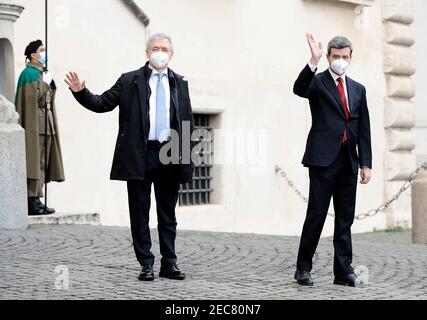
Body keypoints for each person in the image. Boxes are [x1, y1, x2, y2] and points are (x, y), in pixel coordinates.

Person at [65, 33, 194, 281]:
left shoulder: (180, 83)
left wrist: (185, 159)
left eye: (164, 49)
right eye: (155, 48)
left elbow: (186, 121)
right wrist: (81, 92)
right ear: (147, 53)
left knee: (168, 215)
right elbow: (102, 102)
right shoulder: (129, 80)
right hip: (140, 154)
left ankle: (170, 263)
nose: (160, 52)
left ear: (171, 54)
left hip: (170, 153)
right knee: (139, 212)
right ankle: (146, 264)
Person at [293, 34, 372, 287]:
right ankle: (303, 268)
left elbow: (364, 128)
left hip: (349, 161)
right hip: (323, 160)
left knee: (345, 219)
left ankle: (343, 271)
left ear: (351, 58)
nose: (340, 61)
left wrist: (366, 163)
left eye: (344, 57)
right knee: (316, 214)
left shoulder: (358, 89)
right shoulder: (318, 83)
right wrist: (313, 60)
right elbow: (298, 88)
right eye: (335, 57)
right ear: (329, 57)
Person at [15, 39, 65, 216]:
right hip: (35, 122)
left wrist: (48, 83)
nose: (45, 53)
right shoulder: (28, 74)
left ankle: (37, 197)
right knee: (35, 160)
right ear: (33, 55)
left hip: (47, 122)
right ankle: (32, 198)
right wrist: (45, 83)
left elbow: (48, 96)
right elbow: (31, 99)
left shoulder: (41, 73)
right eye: (42, 50)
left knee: (43, 161)